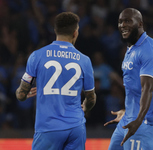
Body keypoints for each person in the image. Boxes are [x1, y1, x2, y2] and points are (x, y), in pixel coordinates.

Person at [16, 12, 96, 150]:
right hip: (76, 128)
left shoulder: (37, 56)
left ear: (55, 30)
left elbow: (21, 95)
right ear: (75, 33)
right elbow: (91, 98)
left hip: (48, 128)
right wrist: (86, 107)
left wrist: (22, 94)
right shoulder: (84, 60)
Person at [104, 8, 153, 150]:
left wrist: (138, 120)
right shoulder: (131, 48)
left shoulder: (150, 48)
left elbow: (147, 89)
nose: (122, 25)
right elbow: (135, 89)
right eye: (120, 22)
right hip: (128, 119)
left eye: (128, 21)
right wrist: (128, 110)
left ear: (140, 23)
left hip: (143, 123)